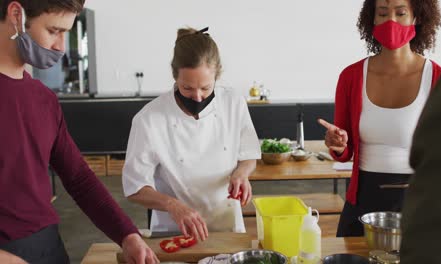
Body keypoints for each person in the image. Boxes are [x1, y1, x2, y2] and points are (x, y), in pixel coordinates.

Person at [0, 1, 158, 263]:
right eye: (53, 31)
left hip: (49, 246)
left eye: (66, 33)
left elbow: (79, 178)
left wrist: (127, 235)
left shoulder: (44, 99)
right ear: (17, 15)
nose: (62, 46)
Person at [317, 0, 441, 237]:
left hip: (418, 200)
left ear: (417, 17)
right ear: (372, 19)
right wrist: (338, 144)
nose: (391, 21)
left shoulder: (438, 78)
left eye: (401, 13)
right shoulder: (351, 77)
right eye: (383, 13)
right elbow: (345, 151)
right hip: (363, 196)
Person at [122, 27, 261, 240]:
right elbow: (135, 187)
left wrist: (241, 174)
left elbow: (249, 154)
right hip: (174, 230)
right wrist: (172, 205)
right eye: (187, 88)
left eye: (205, 88)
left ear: (217, 75)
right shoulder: (149, 119)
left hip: (226, 224)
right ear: (174, 76)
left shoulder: (233, 103)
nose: (197, 97)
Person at [400, 57, 441, 263]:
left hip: (412, 187)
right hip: (365, 187)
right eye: (383, 20)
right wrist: (340, 145)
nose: (392, 23)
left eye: (400, 20)